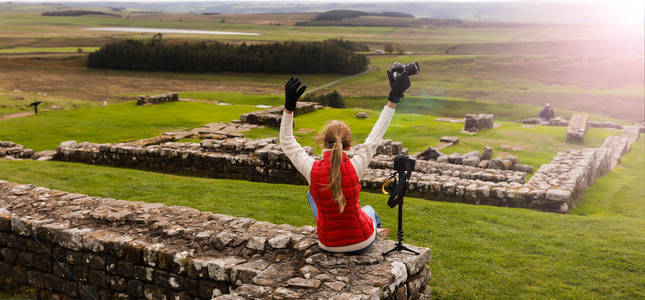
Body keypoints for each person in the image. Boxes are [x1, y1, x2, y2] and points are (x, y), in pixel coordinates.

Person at [279, 70, 411, 254]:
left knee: (313, 193)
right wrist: (393, 99)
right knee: (369, 210)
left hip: (328, 244)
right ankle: (377, 231)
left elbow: (287, 142)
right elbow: (375, 136)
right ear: (348, 147)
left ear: (323, 142)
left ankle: (370, 230)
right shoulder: (355, 166)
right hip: (361, 241)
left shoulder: (311, 169)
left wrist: (289, 108)